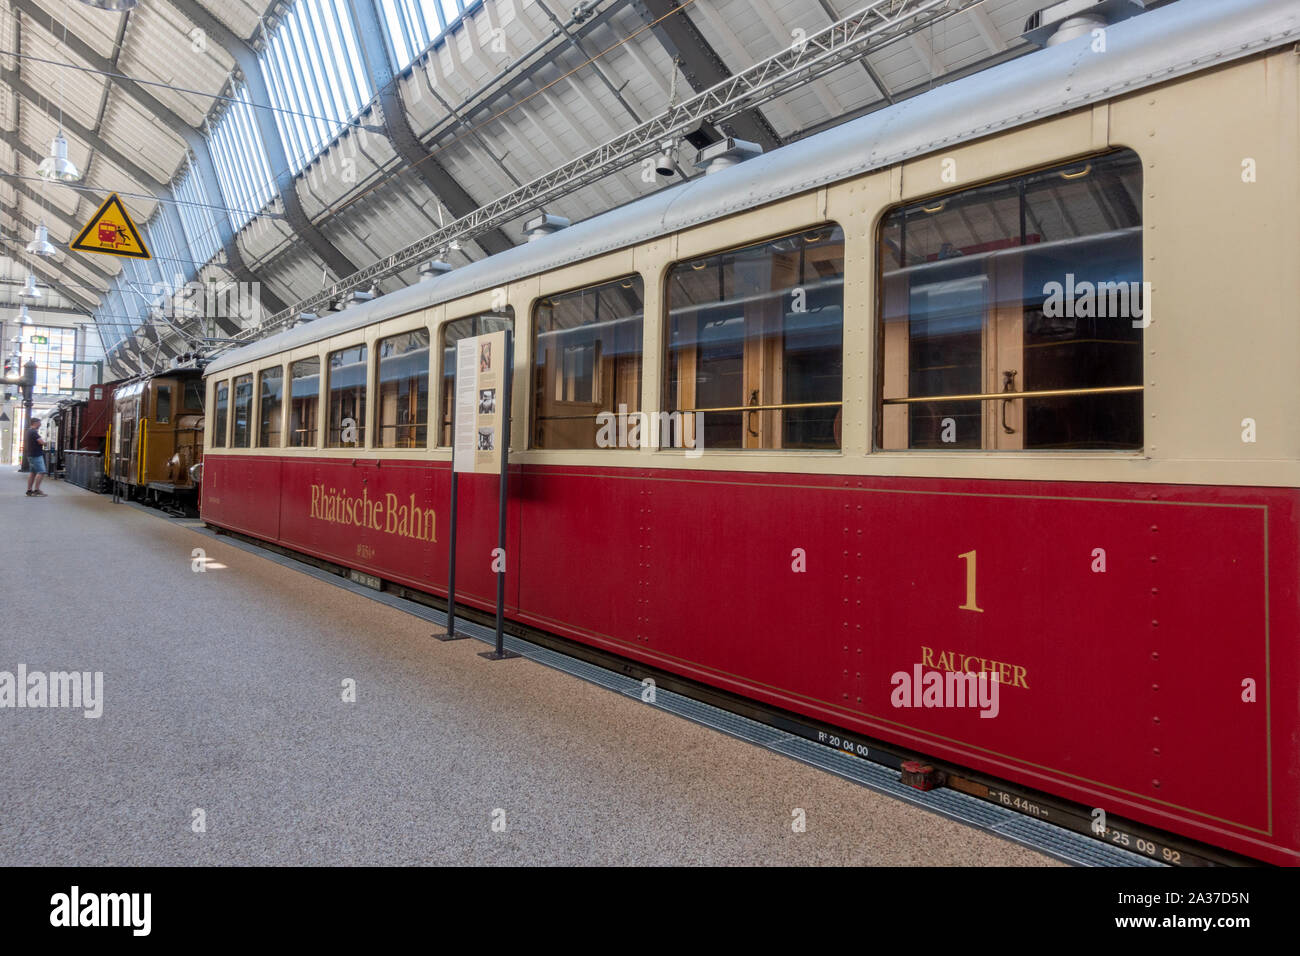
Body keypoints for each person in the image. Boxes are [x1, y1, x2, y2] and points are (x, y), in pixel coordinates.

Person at [25, 417, 47, 497]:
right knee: (41, 472)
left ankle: (29, 490)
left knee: (33, 472)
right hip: (36, 455)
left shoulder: (29, 431)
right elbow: (41, 442)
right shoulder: (34, 432)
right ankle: (36, 490)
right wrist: (45, 443)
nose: (40, 424)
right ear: (35, 423)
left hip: (31, 454)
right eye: (39, 423)